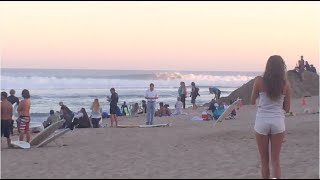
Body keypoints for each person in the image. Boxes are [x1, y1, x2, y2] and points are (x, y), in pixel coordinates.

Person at [250, 55, 291, 179]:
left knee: (264, 161)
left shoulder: (259, 81)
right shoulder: (285, 85)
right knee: (275, 161)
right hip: (278, 122)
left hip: (262, 121)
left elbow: (251, 102)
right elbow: (287, 109)